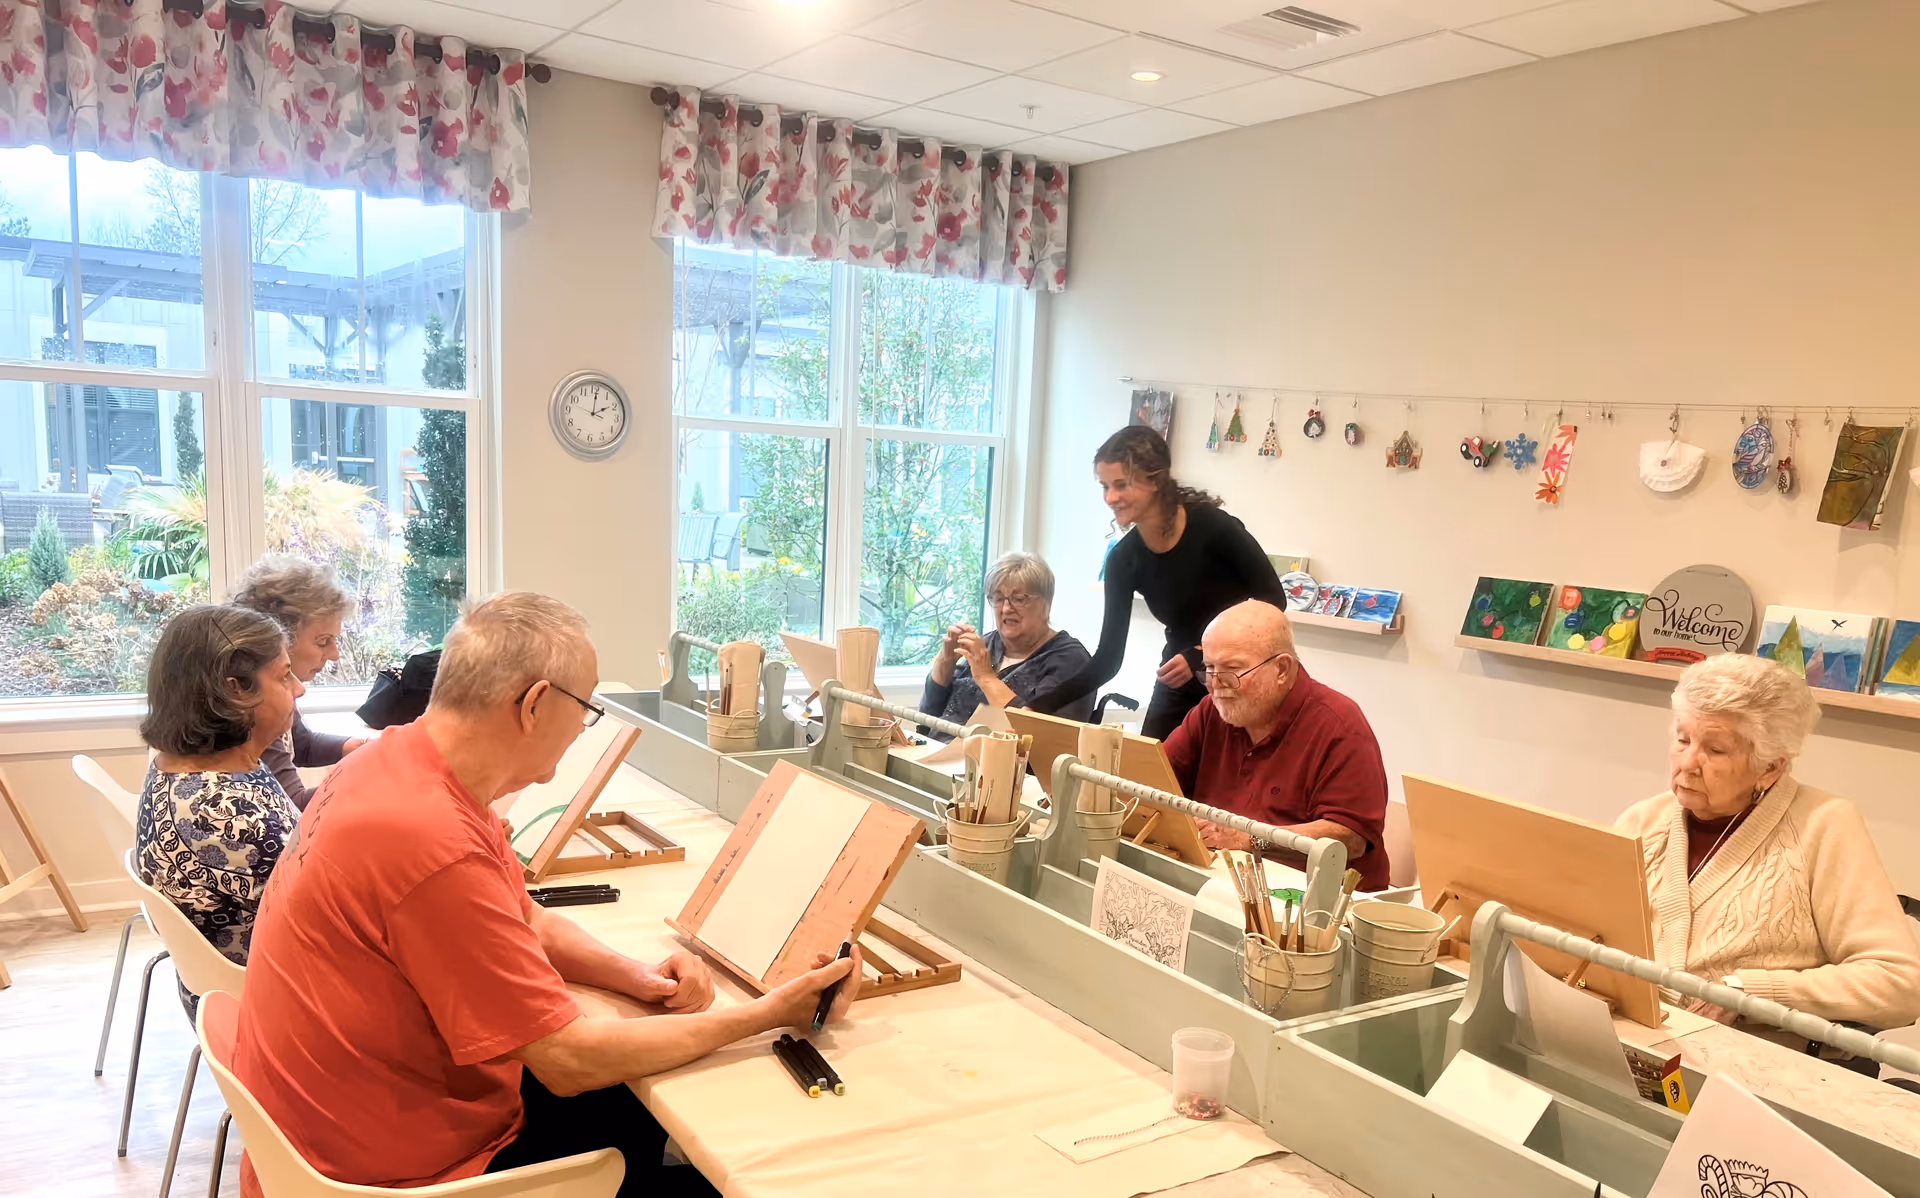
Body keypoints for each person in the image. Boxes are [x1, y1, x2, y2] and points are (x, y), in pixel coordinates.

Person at [231, 592, 861, 1198]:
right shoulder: (431, 841)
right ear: (534, 705)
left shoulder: (396, 761)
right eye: (585, 708)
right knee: (698, 1127)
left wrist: (637, 977)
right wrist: (768, 1015)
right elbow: (567, 1061)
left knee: (652, 1091)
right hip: (395, 1177)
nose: (584, 726)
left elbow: (525, 917)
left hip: (340, 1140)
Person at [1615, 654, 1920, 1031]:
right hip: (1634, 1037)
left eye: (1716, 750)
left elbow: (1900, 985)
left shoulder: (1823, 825)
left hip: (1747, 1062)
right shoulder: (1643, 819)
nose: (1688, 762)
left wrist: (1750, 992)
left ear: (1770, 767)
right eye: (1683, 739)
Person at [1028, 426, 1287, 740]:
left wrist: (1197, 655)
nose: (1110, 498)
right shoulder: (1124, 560)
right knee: (1149, 777)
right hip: (1178, 681)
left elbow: (1273, 599)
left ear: (1156, 479)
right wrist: (1035, 708)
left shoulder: (1213, 527)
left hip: (1242, 675)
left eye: (1121, 485)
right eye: (1105, 486)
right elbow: (1108, 660)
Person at [1163, 600, 1390, 890]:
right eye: (1209, 669)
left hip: (1315, 899)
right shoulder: (1212, 711)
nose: (1216, 684)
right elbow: (1157, 778)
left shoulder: (1339, 726)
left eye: (1232, 669)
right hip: (1224, 881)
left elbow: (1349, 836)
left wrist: (1247, 838)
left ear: (1282, 669)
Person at [135, 605, 305, 971]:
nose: (300, 689)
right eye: (285, 677)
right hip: (263, 1000)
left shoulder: (198, 766)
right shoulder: (226, 814)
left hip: (230, 985)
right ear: (236, 692)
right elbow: (329, 924)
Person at [230, 555, 369, 810]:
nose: (334, 654)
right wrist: (372, 778)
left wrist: (356, 748)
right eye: (323, 641)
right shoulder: (255, 706)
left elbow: (300, 744)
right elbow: (294, 806)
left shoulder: (276, 692)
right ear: (278, 637)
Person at [920, 551, 1093, 737]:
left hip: (1002, 764)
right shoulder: (987, 643)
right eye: (998, 598)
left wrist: (986, 678)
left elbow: (1041, 740)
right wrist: (945, 662)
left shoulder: (1071, 661)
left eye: (1019, 599)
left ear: (1046, 604)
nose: (1006, 609)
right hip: (937, 756)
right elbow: (925, 723)